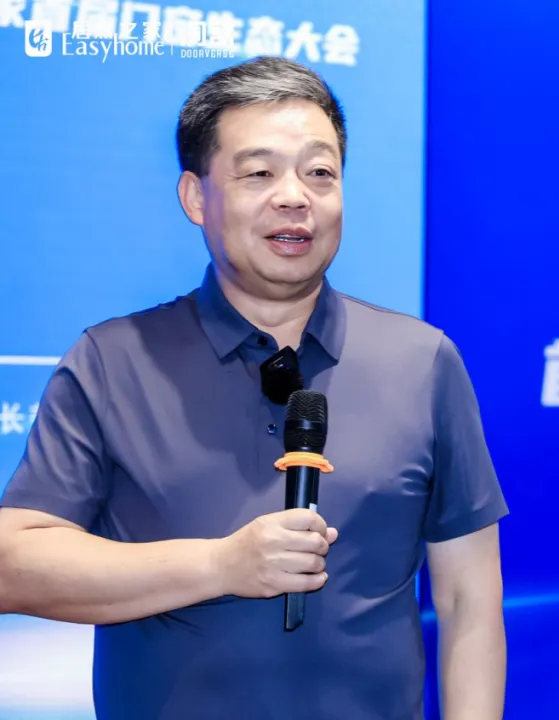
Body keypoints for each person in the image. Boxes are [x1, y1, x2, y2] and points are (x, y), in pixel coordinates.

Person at [0, 56, 508, 720]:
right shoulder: (113, 361)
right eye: (259, 173)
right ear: (195, 197)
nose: (295, 196)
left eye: (320, 173)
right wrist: (220, 566)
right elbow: (13, 563)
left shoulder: (423, 361)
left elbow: (470, 599)